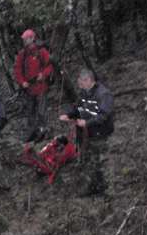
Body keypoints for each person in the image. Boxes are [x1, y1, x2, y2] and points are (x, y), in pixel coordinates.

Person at [59, 68, 114, 196]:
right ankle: (93, 187)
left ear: (89, 80)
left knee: (99, 161)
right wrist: (69, 115)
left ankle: (104, 191)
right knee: (89, 161)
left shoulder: (103, 94)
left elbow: (104, 116)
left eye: (81, 82)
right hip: (87, 133)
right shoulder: (85, 92)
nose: (79, 84)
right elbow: (79, 108)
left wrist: (87, 123)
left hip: (100, 133)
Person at [13, 29, 54, 143]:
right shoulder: (22, 54)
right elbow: (17, 70)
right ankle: (33, 133)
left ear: (32, 38)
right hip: (29, 89)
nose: (25, 41)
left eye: (26, 39)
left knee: (41, 111)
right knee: (30, 112)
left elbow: (50, 66)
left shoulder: (42, 51)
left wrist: (43, 74)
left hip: (41, 87)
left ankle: (43, 131)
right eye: (24, 39)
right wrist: (22, 82)